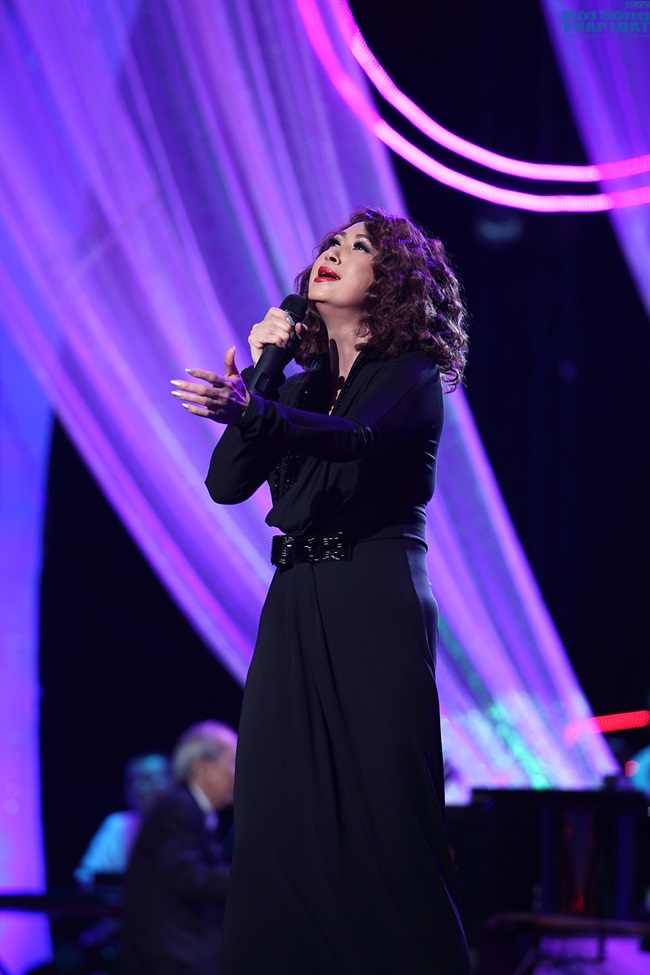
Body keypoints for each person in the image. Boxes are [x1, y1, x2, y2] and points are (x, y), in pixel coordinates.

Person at [171, 206, 471, 974]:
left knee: (384, 821)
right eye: (331, 243)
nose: (333, 252)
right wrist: (264, 373)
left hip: (374, 596)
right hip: (296, 597)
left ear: (393, 282)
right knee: (275, 811)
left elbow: (356, 437)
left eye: (358, 247)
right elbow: (226, 483)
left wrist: (258, 410)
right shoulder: (297, 390)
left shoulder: (409, 375)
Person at [121, 721, 237, 975]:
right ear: (202, 767)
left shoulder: (191, 809)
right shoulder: (177, 808)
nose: (237, 773)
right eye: (231, 761)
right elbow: (188, 876)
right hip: (173, 958)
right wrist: (251, 880)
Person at [74, 753, 171, 885]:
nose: (139, 787)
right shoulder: (118, 824)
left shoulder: (185, 823)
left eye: (149, 778)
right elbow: (87, 875)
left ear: (172, 781)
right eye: (132, 780)